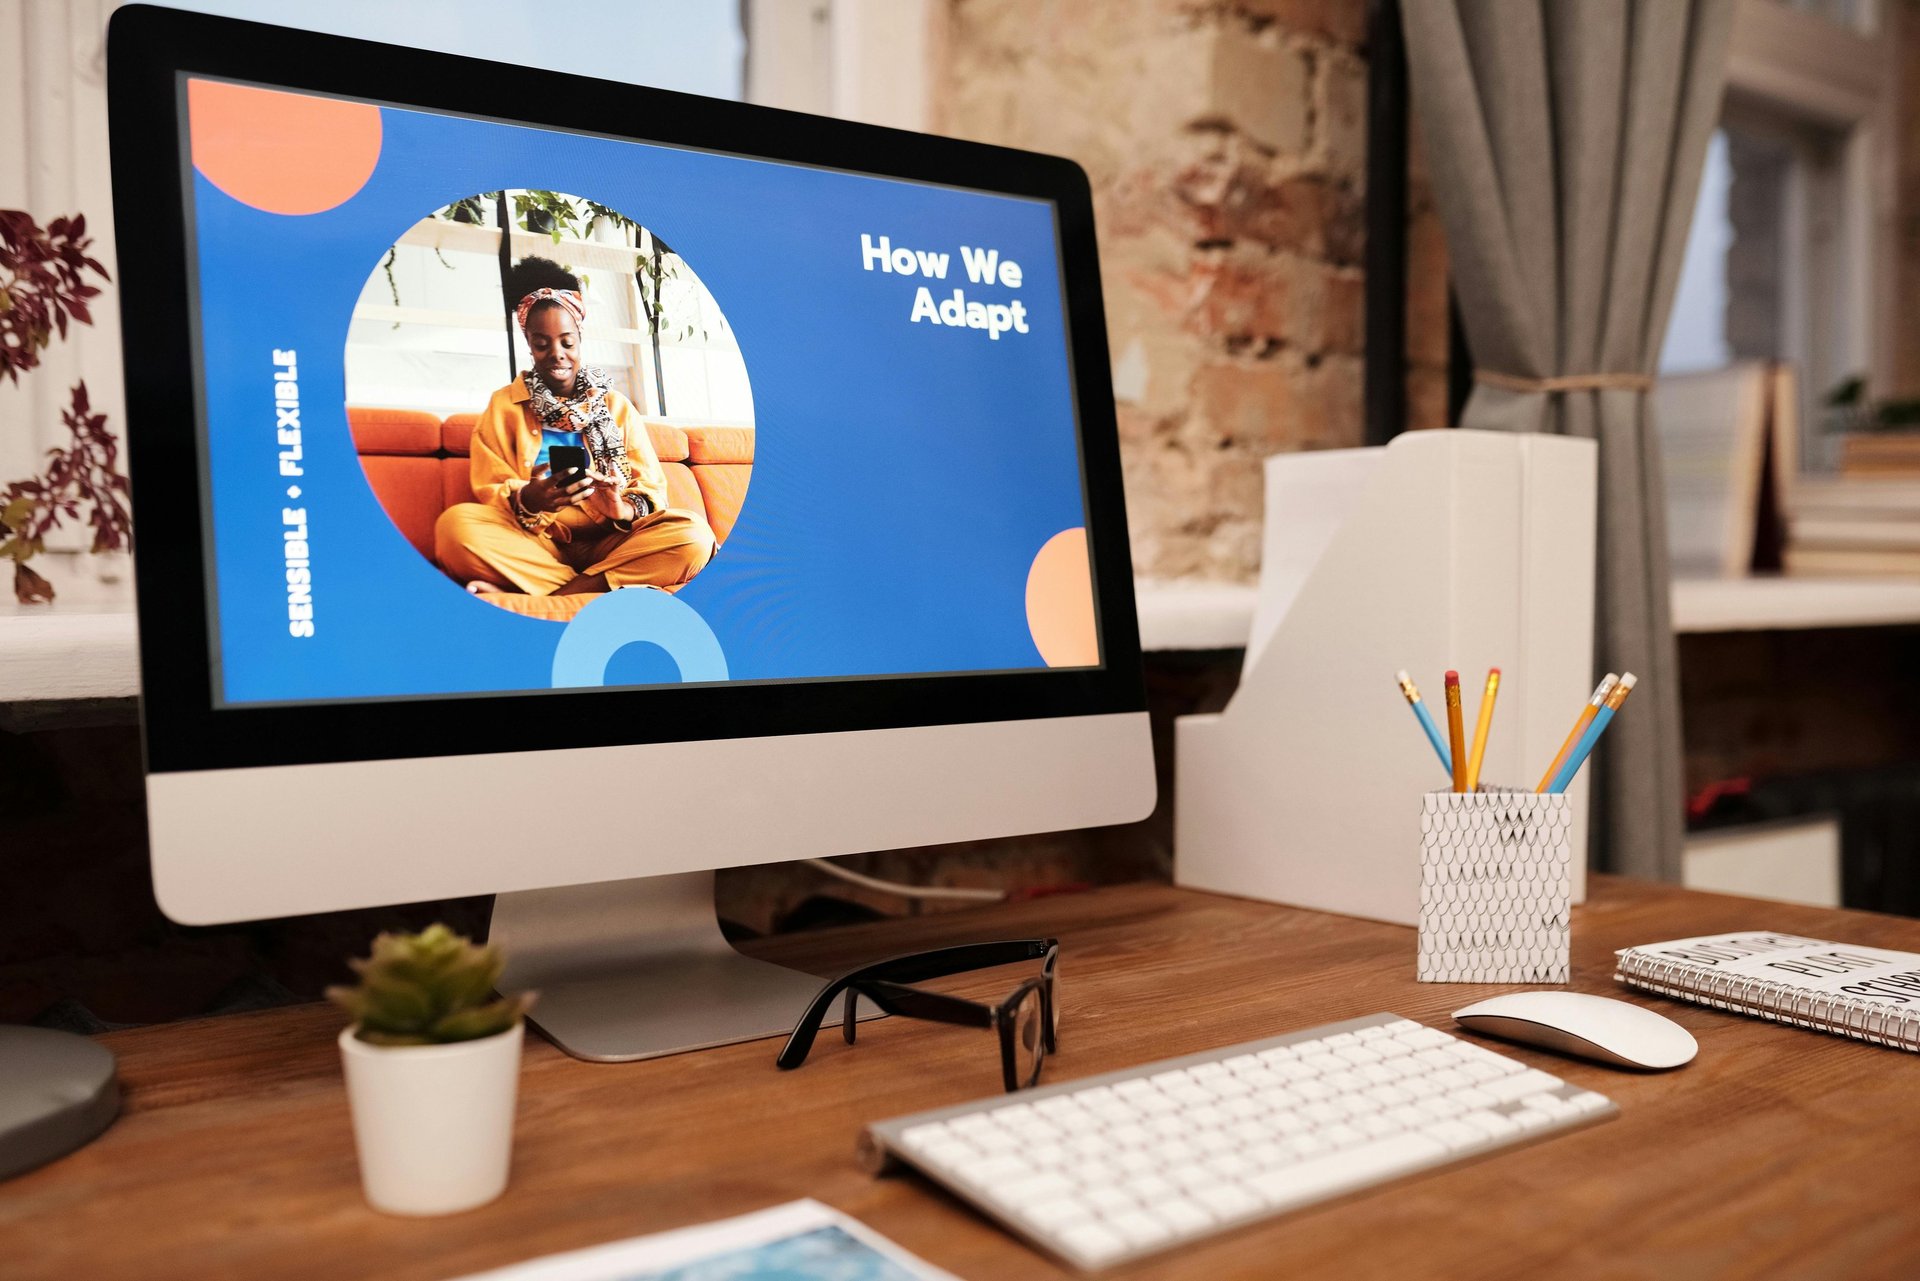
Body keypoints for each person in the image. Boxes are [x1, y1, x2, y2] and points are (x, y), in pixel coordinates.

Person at [435, 258, 714, 599]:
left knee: (693, 536)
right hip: (539, 543)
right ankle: (599, 587)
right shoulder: (503, 407)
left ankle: (552, 595)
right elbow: (490, 488)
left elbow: (651, 487)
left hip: (613, 543)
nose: (557, 354)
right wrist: (531, 498)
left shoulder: (616, 407)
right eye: (542, 343)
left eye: (567, 342)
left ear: (580, 337)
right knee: (455, 528)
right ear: (528, 342)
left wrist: (620, 508)